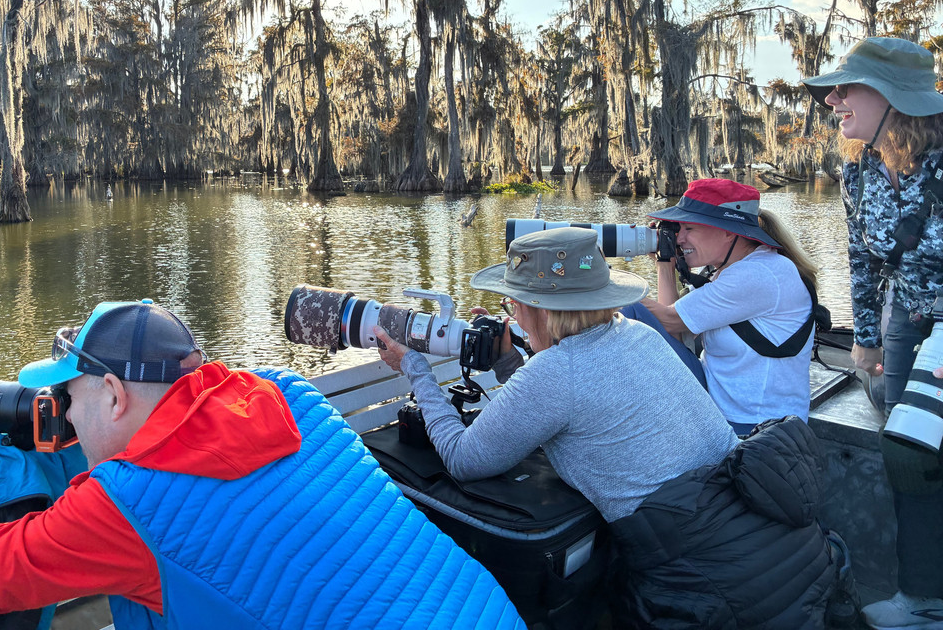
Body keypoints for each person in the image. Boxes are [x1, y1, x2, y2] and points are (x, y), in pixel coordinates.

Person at [0, 298, 525, 630]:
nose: (63, 417)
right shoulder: (290, 396)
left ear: (113, 395)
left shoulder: (127, 505)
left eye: (70, 399)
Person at [375, 227, 839, 628]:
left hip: (705, 588)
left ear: (538, 309)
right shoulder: (637, 334)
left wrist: (415, 369)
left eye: (514, 305)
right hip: (783, 552)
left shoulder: (557, 372)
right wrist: (507, 360)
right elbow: (562, 398)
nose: (511, 314)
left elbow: (464, 459)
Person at [802, 35, 943, 629]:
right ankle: (924, 600)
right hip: (906, 322)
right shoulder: (856, 169)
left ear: (893, 96)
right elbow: (861, 260)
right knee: (908, 456)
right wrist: (865, 338)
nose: (832, 99)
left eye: (845, 86)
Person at [638, 178, 819, 434]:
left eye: (688, 228)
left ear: (727, 231)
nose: (679, 238)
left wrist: (604, 284)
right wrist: (664, 264)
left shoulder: (757, 272)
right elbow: (672, 330)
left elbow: (668, 319)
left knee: (632, 310)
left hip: (759, 425)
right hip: (725, 408)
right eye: (677, 229)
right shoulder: (724, 269)